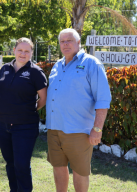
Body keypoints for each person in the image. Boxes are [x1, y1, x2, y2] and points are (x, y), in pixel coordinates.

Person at [46, 28, 111, 192]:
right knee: (58, 167)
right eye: (62, 41)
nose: (65, 44)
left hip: (78, 131)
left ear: (79, 43)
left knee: (80, 172)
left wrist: (97, 129)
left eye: (69, 40)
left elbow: (102, 99)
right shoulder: (57, 65)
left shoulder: (91, 63)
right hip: (54, 129)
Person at [0, 37, 47, 192]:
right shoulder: (5, 68)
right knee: (10, 163)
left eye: (27, 51)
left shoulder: (35, 72)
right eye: (20, 50)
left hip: (25, 126)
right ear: (14, 51)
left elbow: (43, 99)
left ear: (31, 52)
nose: (23, 54)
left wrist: (28, 110)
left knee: (21, 165)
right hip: (1, 124)